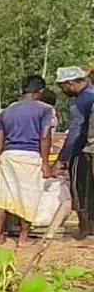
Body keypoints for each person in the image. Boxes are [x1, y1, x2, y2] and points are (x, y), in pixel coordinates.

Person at [0, 75, 55, 247]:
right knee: (29, 196)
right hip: (30, 155)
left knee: (3, 197)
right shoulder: (45, 110)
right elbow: (45, 137)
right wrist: (45, 163)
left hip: (8, 155)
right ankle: (23, 238)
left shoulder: (6, 111)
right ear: (39, 92)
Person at [57, 66, 94, 240]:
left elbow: (75, 130)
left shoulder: (81, 100)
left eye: (63, 87)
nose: (63, 91)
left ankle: (84, 229)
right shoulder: (91, 95)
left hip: (83, 150)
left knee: (80, 189)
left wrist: (64, 156)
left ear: (70, 84)